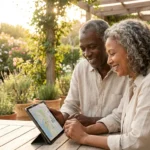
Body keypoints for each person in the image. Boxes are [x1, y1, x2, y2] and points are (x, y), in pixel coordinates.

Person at [64, 19, 150, 150]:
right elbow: (118, 116)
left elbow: (137, 142)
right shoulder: (133, 81)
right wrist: (86, 130)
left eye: (112, 53)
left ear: (131, 51)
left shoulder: (148, 84)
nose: (109, 61)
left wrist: (84, 137)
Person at [51, 19, 128, 126]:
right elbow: (71, 104)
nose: (87, 54)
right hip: (84, 135)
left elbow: (128, 117)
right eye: (83, 49)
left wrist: (92, 121)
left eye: (92, 47)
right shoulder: (80, 69)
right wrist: (63, 116)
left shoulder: (126, 71)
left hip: (115, 139)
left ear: (107, 43)